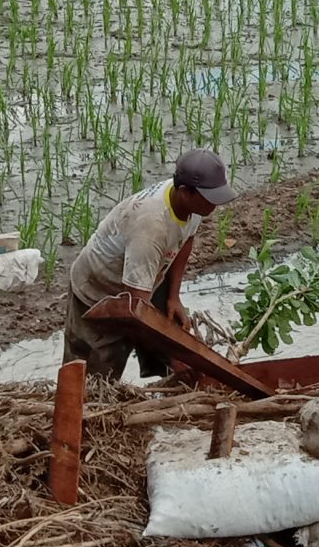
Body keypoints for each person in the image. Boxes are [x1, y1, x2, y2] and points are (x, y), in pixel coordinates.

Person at [63, 149, 237, 379]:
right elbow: (137, 312)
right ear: (185, 192)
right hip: (98, 289)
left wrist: (173, 297)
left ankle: (162, 373)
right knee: (95, 375)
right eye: (210, 198)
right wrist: (173, 357)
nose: (215, 205)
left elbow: (186, 239)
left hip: (143, 276)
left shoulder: (189, 203)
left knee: (166, 327)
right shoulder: (151, 227)